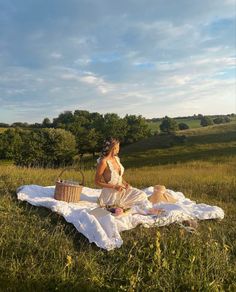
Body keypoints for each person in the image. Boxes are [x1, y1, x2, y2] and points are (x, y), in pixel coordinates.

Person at [95, 137, 164, 216]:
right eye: (118, 147)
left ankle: (149, 209)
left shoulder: (117, 159)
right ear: (113, 148)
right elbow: (97, 182)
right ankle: (144, 210)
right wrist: (114, 187)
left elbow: (118, 176)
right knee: (122, 204)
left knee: (141, 194)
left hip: (121, 189)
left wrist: (125, 183)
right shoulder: (103, 162)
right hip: (111, 194)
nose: (119, 149)